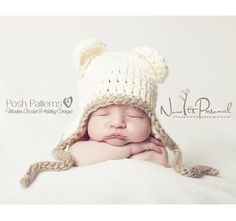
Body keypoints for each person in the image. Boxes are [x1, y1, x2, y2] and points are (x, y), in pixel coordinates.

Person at [20, 39, 219, 188]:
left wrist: (137, 150)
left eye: (134, 115)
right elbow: (78, 156)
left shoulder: (152, 145)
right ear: (86, 118)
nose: (117, 123)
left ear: (151, 121)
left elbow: (159, 160)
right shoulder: (81, 141)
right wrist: (132, 149)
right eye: (103, 114)